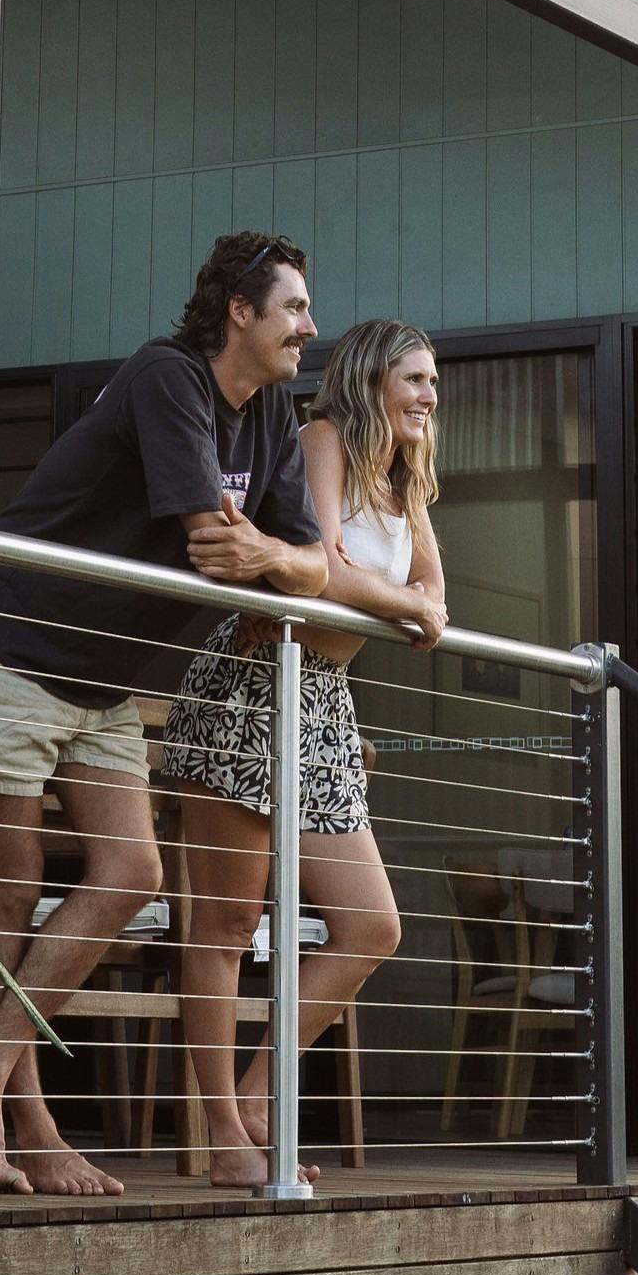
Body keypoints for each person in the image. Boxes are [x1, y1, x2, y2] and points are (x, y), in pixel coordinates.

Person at [0, 232, 330, 1196]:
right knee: (6, 893)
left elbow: (309, 566)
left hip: (107, 683)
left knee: (132, 872)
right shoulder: (168, 376)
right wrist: (269, 560)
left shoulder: (274, 412)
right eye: (294, 307)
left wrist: (274, 558)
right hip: (16, 646)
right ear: (240, 313)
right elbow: (210, 539)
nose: (310, 326)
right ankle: (23, 1127)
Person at [160, 318, 446, 1187]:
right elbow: (319, 568)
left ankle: (255, 1099)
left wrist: (402, 599)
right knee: (227, 924)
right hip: (255, 675)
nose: (429, 396)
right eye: (415, 379)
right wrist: (401, 602)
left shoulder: (405, 484)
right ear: (369, 380)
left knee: (371, 925)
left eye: (433, 382)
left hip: (323, 699)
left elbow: (435, 596)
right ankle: (225, 1135)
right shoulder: (322, 440)